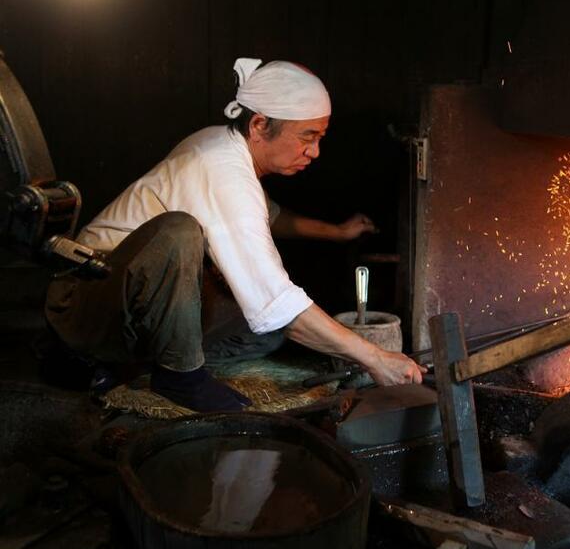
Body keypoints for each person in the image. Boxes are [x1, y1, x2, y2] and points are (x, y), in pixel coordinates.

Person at [44, 57, 424, 412]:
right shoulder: (220, 168)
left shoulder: (228, 145)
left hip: (134, 304)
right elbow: (271, 293)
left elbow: (268, 216)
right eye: (307, 136)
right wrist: (375, 358)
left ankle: (138, 363)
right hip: (86, 298)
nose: (315, 152)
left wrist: (336, 232)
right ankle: (178, 376)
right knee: (180, 233)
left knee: (264, 334)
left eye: (320, 137)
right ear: (259, 125)